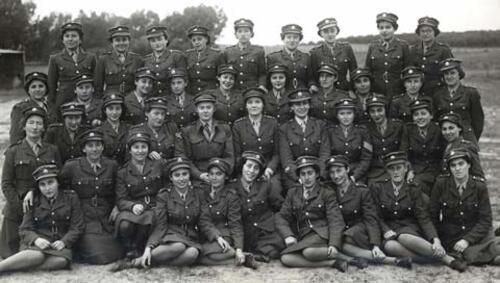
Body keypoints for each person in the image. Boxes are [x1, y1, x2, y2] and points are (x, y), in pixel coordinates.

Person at [370, 151, 467, 271]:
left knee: (404, 237)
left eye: (399, 168)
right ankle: (432, 259)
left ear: (406, 169)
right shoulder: (378, 188)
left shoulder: (413, 189)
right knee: (390, 246)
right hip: (389, 230)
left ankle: (448, 259)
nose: (395, 172)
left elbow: (423, 217)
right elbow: (375, 215)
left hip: (409, 229)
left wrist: (435, 240)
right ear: (387, 171)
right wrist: (385, 230)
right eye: (391, 168)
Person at [110, 157, 202, 271]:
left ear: (189, 176)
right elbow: (160, 225)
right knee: (179, 246)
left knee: (192, 254)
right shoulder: (164, 195)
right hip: (173, 234)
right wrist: (149, 247)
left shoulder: (198, 194)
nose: (181, 178)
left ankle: (150, 262)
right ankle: (135, 262)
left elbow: (204, 220)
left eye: (184, 174)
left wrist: (216, 237)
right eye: (177, 175)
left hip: (191, 235)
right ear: (171, 178)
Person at [325, 155, 412, 269]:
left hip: (360, 230)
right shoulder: (328, 190)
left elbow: (370, 218)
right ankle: (393, 261)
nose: (336, 176)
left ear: (347, 169)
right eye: (332, 172)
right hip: (341, 230)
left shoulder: (361, 191)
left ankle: (359, 257)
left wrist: (375, 244)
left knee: (346, 239)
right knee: (342, 243)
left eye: (339, 171)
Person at [0, 164, 84, 273]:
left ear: (58, 182)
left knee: (62, 261)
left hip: (57, 245)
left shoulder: (71, 197)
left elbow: (77, 226)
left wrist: (64, 241)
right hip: (35, 245)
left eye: (51, 182)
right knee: (37, 256)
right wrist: (36, 239)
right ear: (38, 187)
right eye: (42, 185)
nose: (47, 188)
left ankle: (19, 266)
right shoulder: (33, 200)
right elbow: (24, 229)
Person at [1, 107, 61, 258]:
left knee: (47, 252)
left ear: (44, 128)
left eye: (39, 123)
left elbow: (59, 178)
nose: (35, 127)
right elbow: (6, 183)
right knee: (10, 253)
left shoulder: (52, 150)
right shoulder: (13, 151)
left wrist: (34, 191)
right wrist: (20, 207)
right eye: (31, 123)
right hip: (18, 204)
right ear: (23, 126)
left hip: (45, 205)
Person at [58, 129, 123, 264]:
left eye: (98, 145)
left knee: (119, 251)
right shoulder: (72, 166)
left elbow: (120, 188)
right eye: (90, 146)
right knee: (100, 257)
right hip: (83, 218)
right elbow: (60, 189)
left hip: (106, 218)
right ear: (83, 148)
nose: (95, 149)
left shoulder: (112, 165)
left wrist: (118, 206)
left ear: (103, 147)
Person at [275, 156, 347, 271]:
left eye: (310, 173)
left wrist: (333, 244)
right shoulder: (293, 192)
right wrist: (288, 235)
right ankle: (332, 262)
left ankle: (349, 258)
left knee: (309, 252)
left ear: (317, 174)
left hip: (322, 234)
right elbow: (281, 216)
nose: (307, 178)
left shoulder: (326, 192)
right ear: (299, 177)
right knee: (286, 258)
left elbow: (335, 220)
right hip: (305, 235)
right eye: (303, 174)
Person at [430, 149, 500, 266]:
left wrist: (467, 240)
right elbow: (433, 215)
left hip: (476, 234)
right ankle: (489, 257)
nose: (457, 168)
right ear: (449, 168)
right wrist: (436, 239)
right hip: (452, 236)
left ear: (469, 165)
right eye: (453, 165)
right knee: (467, 254)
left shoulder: (479, 186)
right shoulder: (441, 184)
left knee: (493, 246)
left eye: (461, 164)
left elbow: (485, 220)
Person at [114, 131, 167, 259]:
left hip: (154, 205)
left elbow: (167, 185)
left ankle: (139, 248)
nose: (140, 151)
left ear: (148, 149)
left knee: (149, 220)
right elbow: (121, 199)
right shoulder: (123, 172)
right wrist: (132, 206)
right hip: (134, 206)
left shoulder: (158, 165)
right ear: (130, 150)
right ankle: (129, 249)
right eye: (136, 147)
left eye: (143, 147)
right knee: (125, 224)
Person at [228, 151, 285, 262]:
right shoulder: (231, 187)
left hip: (264, 232)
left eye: (256, 168)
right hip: (244, 233)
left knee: (275, 251)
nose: (251, 171)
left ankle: (254, 255)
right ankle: (251, 255)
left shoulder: (266, 185)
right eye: (249, 166)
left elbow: (280, 207)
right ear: (242, 166)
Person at [198, 158, 254, 268]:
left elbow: (235, 223)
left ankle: (235, 254)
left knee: (200, 255)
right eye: (211, 174)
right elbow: (203, 220)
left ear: (226, 176)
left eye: (219, 174)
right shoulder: (202, 193)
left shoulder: (231, 196)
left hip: (225, 235)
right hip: (206, 234)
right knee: (197, 253)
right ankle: (239, 259)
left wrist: (239, 248)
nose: (214, 177)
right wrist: (216, 237)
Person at [179, 92, 235, 183]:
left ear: (214, 109)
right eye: (202, 108)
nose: (205, 111)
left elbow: (230, 156)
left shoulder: (224, 128)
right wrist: (199, 175)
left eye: (209, 107)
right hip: (198, 179)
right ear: (196, 110)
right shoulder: (188, 131)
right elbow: (186, 158)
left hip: (221, 175)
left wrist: (220, 174)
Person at [279, 89, 328, 190]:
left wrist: (318, 174)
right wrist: (298, 177)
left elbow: (325, 154)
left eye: (304, 103)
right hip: (295, 176)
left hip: (317, 174)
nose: (302, 107)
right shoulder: (284, 129)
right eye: (297, 104)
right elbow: (286, 159)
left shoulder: (320, 125)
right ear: (292, 107)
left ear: (309, 105)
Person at [47, 22, 96, 121]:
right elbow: (51, 87)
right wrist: (52, 110)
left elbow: (96, 83)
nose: (70, 39)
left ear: (80, 39)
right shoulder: (55, 59)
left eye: (74, 36)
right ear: (63, 40)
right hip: (63, 102)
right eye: (67, 36)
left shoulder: (90, 58)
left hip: (85, 103)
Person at [232, 88, 280, 186]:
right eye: (250, 102)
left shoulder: (272, 123)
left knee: (274, 188)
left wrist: (270, 169)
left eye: (257, 102)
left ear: (263, 105)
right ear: (246, 106)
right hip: (247, 170)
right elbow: (237, 155)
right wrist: (247, 172)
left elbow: (277, 154)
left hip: (268, 168)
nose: (254, 105)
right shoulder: (238, 125)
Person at [319, 98, 372, 183]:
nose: (346, 117)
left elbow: (366, 159)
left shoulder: (362, 131)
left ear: (354, 114)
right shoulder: (330, 131)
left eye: (349, 113)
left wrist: (354, 177)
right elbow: (325, 154)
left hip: (357, 174)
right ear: (337, 115)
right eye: (342, 114)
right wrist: (325, 175)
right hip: (335, 173)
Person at [433, 58, 484, 145]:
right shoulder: (438, 96)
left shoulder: (471, 93)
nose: (449, 77)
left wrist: (472, 140)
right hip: (445, 140)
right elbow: (436, 120)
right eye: (446, 74)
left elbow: (478, 121)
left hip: (466, 138)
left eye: (452, 73)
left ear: (459, 74)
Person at [401, 99, 445, 193]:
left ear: (431, 115)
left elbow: (444, 154)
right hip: (416, 171)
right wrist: (410, 170)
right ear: (413, 118)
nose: (420, 117)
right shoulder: (408, 130)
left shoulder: (439, 130)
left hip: (436, 171)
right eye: (416, 114)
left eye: (423, 113)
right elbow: (404, 153)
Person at [365, 12, 410, 99]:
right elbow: (368, 71)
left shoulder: (403, 46)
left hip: (398, 93)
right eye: (381, 28)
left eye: (388, 27)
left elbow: (408, 70)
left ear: (395, 28)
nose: (384, 30)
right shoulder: (373, 46)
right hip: (377, 93)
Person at [365, 96, 406, 185]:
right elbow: (367, 154)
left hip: (396, 168)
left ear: (385, 110)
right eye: (372, 111)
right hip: (376, 170)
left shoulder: (398, 126)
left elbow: (404, 150)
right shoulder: (367, 128)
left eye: (379, 110)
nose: (376, 115)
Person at [94, 25, 144, 97]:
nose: (121, 43)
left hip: (132, 102)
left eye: (124, 40)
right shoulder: (103, 60)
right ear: (112, 43)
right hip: (111, 102)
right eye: (117, 40)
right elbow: (98, 86)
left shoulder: (138, 60)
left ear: (129, 41)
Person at [409, 17, 453, 97]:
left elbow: (453, 72)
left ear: (435, 33)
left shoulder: (443, 50)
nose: (425, 34)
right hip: (417, 93)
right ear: (419, 33)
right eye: (422, 31)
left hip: (438, 92)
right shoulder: (412, 50)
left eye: (429, 31)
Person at [310, 18, 358, 91]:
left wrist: (351, 89)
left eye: (332, 31)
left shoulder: (346, 48)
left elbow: (354, 72)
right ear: (321, 34)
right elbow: (313, 76)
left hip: (344, 90)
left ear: (336, 32)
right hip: (324, 91)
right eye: (326, 32)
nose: (330, 34)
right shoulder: (315, 52)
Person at [222, 18, 267, 91]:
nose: (243, 34)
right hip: (233, 90)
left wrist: (261, 86)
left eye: (246, 31)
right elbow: (223, 73)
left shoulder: (258, 51)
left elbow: (262, 74)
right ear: (236, 35)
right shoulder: (228, 52)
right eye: (239, 31)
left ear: (251, 34)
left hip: (252, 90)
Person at [267, 24, 315, 91]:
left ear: (299, 39)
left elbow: (311, 78)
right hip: (283, 96)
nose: (292, 40)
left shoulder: (306, 57)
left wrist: (312, 85)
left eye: (295, 37)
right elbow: (269, 81)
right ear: (283, 39)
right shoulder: (273, 57)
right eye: (288, 37)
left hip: (303, 95)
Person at [143, 25, 187, 96]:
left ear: (166, 40)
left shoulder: (177, 57)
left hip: (172, 100)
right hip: (152, 100)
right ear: (150, 43)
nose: (157, 43)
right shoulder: (146, 60)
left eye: (159, 39)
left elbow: (185, 81)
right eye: (153, 41)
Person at [438, 112, 484, 178]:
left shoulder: (467, 147)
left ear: (460, 128)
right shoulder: (444, 147)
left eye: (451, 128)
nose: (447, 132)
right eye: (444, 129)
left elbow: (478, 174)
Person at [10, 72, 49, 144]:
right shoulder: (20, 108)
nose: (37, 90)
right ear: (28, 90)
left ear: (46, 88)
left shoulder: (50, 107)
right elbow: (15, 137)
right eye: (33, 87)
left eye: (41, 86)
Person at [185, 25, 223, 94]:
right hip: (192, 95)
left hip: (211, 95)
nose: (196, 42)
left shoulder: (216, 55)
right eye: (194, 40)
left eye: (199, 39)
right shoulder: (188, 55)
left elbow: (221, 78)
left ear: (206, 39)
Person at [98, 93, 130, 165]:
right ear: (104, 110)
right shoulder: (99, 131)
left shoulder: (129, 128)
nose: (114, 112)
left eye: (118, 108)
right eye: (110, 109)